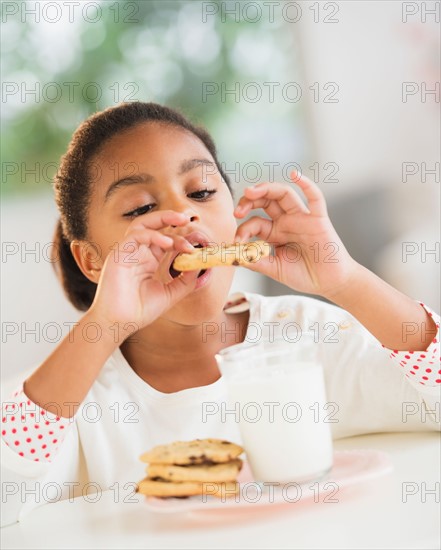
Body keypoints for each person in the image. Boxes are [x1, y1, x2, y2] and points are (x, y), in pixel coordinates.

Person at [1, 102, 439, 524]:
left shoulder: (307, 339)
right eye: (140, 208)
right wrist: (102, 326)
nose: (182, 213)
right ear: (92, 261)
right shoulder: (74, 399)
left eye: (202, 192)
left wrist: (347, 280)